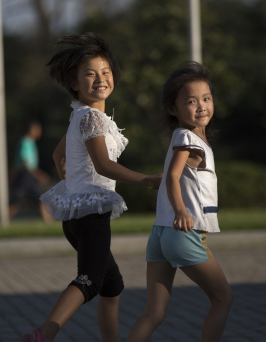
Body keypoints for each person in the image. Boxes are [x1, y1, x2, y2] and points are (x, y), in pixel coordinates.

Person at [20, 33, 161, 342]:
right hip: (91, 215)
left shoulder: (80, 116)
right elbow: (103, 165)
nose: (100, 78)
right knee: (89, 282)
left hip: (76, 214)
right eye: (90, 74)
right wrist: (146, 179)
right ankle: (44, 333)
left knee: (112, 287)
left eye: (106, 71)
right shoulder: (92, 119)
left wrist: (72, 182)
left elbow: (59, 155)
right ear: (74, 82)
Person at [126, 62, 233, 342]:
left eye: (206, 99)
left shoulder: (181, 137)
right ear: (173, 109)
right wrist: (181, 210)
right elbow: (175, 177)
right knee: (223, 298)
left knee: (154, 313)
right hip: (184, 233)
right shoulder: (188, 138)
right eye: (191, 101)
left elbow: (177, 175)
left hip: (160, 235)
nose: (201, 106)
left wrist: (157, 178)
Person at [9, 119, 52, 222]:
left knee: (40, 201)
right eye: (37, 130)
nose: (39, 133)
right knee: (15, 204)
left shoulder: (30, 142)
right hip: (25, 177)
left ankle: (48, 223)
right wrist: (38, 175)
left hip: (27, 177)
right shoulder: (25, 142)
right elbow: (24, 163)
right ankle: (2, 221)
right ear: (32, 130)